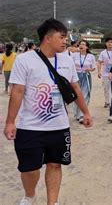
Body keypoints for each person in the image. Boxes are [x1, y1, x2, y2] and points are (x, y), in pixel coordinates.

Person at [3, 18, 93, 205]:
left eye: (66, 37)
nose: (65, 41)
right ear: (47, 38)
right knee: (29, 169)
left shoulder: (67, 60)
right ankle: (30, 195)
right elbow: (18, 92)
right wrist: (10, 121)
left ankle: (52, 202)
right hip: (30, 127)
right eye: (61, 37)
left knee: (54, 164)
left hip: (59, 126)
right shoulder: (24, 60)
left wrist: (86, 112)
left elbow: (75, 88)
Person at [71, 40, 96, 124]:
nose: (81, 45)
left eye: (83, 44)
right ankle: (77, 114)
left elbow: (93, 67)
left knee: (85, 95)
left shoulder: (91, 56)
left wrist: (89, 69)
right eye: (80, 44)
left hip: (86, 76)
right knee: (76, 95)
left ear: (87, 47)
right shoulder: (74, 55)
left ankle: (82, 115)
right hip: (76, 76)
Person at [97, 37, 112, 108]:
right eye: (108, 42)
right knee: (106, 88)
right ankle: (107, 101)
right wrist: (99, 72)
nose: (110, 43)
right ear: (106, 43)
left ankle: (111, 102)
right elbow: (99, 62)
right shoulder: (103, 53)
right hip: (105, 73)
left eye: (111, 42)